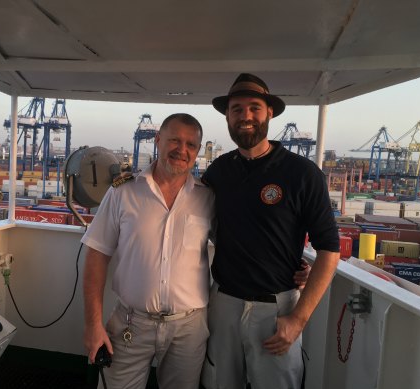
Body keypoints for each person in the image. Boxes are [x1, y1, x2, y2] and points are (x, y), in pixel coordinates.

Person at [201, 73, 340, 389]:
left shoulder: (303, 174)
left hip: (277, 309)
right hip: (223, 303)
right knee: (218, 383)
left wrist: (298, 320)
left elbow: (329, 251)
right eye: (237, 109)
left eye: (254, 108)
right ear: (227, 116)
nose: (245, 116)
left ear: (270, 113)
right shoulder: (218, 172)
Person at [82, 113, 213, 389]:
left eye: (191, 144)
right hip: (131, 324)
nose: (182, 149)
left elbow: (240, 244)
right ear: (157, 140)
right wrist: (94, 325)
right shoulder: (122, 192)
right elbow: (96, 257)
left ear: (198, 152)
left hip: (188, 328)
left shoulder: (208, 198)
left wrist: (291, 265)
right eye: (174, 140)